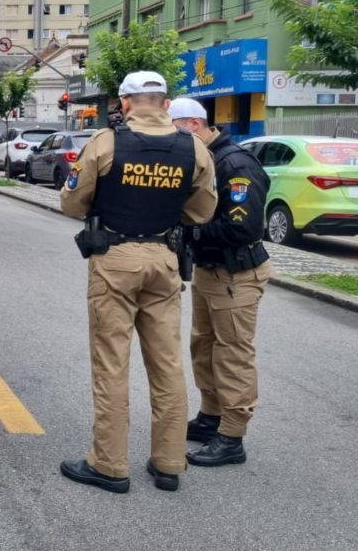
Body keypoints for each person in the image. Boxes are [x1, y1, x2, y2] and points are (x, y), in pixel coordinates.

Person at [58, 72, 217, 493]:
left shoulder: (106, 143)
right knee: (167, 364)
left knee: (112, 363)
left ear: (125, 103)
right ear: (165, 104)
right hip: (165, 260)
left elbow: (72, 202)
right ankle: (169, 463)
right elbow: (201, 210)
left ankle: (109, 464)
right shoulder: (195, 148)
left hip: (115, 259)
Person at [168, 97, 271, 468]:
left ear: (193, 125)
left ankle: (232, 436)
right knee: (204, 347)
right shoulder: (205, 159)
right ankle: (212, 416)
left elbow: (242, 227)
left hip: (236, 274)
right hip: (211, 272)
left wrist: (188, 231)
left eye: (174, 129)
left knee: (233, 354)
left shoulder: (235, 164)